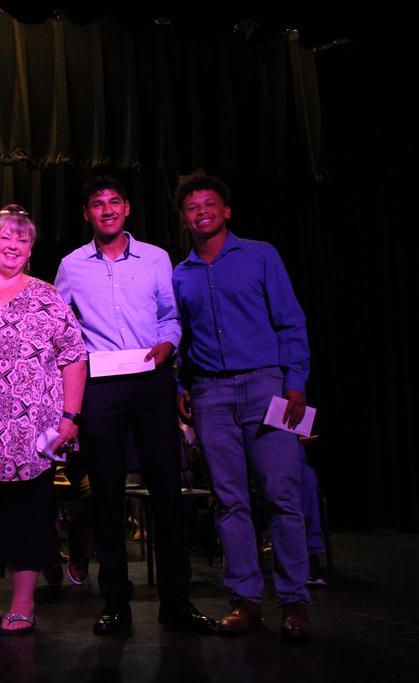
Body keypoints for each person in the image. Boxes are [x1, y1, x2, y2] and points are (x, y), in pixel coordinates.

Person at [54, 175, 216, 637]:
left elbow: (170, 315)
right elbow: (61, 328)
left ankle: (176, 600)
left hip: (151, 380)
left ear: (127, 208)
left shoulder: (156, 258)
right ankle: (115, 602)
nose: (106, 210)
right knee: (106, 494)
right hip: (102, 386)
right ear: (87, 214)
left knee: (167, 491)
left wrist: (168, 344)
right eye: (97, 203)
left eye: (114, 202)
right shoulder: (71, 265)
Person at [172, 174, 313, 640]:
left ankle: (294, 602)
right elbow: (179, 336)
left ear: (226, 210)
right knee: (229, 500)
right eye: (193, 207)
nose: (202, 212)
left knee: (281, 495)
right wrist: (181, 384)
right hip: (211, 394)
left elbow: (290, 322)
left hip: (266, 387)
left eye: (210, 204)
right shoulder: (181, 274)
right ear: (184, 218)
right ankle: (246, 600)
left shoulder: (260, 255)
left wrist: (295, 383)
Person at [0, 205, 87, 635]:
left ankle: (23, 604)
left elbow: (74, 356)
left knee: (27, 522)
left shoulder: (47, 296)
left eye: (22, 239)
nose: (12, 245)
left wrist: (70, 417)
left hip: (28, 435)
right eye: (4, 237)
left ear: (31, 249)